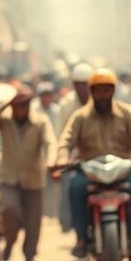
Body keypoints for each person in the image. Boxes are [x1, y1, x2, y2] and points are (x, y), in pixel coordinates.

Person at [54, 68, 131, 261]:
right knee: (75, 188)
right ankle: (82, 238)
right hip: (89, 170)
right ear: (92, 92)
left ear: (113, 91)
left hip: (122, 170)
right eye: (98, 91)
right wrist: (62, 158)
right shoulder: (80, 116)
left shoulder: (126, 112)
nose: (102, 95)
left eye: (106, 90)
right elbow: (65, 140)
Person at [0, 88, 56, 261]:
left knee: (33, 221)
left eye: (24, 105)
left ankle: (30, 256)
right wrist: (8, 102)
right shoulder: (5, 121)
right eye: (17, 106)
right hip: (10, 178)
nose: (20, 110)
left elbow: (50, 142)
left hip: (33, 178)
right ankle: (10, 241)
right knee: (10, 209)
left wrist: (51, 161)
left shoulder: (40, 122)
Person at [53, 62, 93, 231]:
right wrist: (61, 158)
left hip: (98, 156)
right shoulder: (66, 105)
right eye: (78, 85)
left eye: (85, 85)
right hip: (73, 159)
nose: (82, 89)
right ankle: (78, 231)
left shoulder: (101, 102)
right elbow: (61, 135)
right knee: (72, 189)